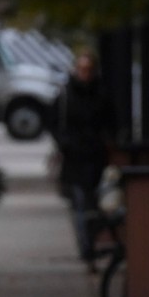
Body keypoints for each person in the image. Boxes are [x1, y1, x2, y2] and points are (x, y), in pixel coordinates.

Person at [52, 49, 116, 268]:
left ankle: (92, 243)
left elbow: (110, 122)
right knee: (81, 204)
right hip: (75, 157)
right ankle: (86, 248)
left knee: (95, 204)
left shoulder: (102, 94)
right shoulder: (66, 96)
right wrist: (65, 144)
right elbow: (55, 123)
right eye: (81, 69)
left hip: (96, 157)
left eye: (88, 70)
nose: (84, 74)